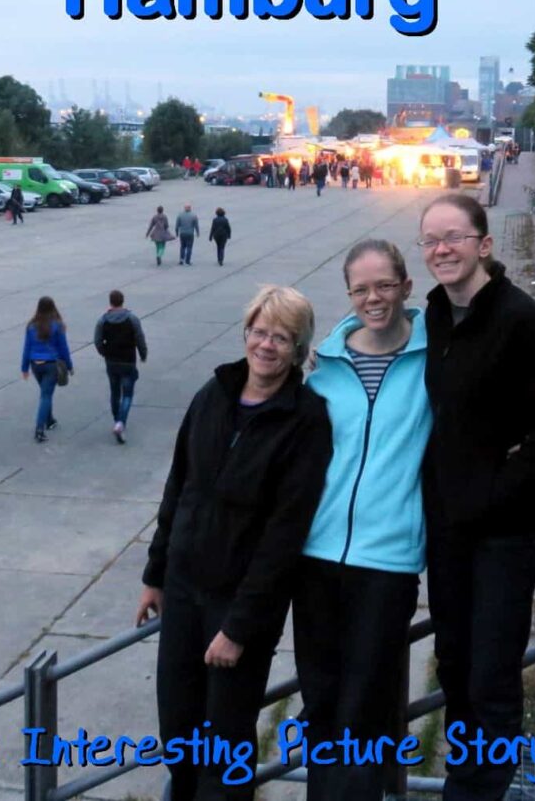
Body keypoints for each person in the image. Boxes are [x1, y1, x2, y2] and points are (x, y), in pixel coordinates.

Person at [136, 286, 332, 801]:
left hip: (238, 606)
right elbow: (180, 486)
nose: (267, 345)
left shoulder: (305, 419)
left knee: (224, 751)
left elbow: (285, 536)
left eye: (282, 337)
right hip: (182, 591)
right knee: (179, 734)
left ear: (298, 348)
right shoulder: (215, 393)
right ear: (246, 333)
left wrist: (239, 628)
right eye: (259, 332)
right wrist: (155, 575)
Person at [418, 194, 535, 801]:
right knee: (455, 664)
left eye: (454, 237)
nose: (441, 249)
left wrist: (496, 490)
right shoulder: (432, 317)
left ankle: (478, 793)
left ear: (483, 244)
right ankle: (466, 781)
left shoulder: (522, 319)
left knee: (490, 675)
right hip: (450, 529)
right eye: (431, 239)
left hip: (508, 532)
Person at [293, 239, 432, 801]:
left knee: (364, 707)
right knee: (321, 699)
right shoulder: (324, 365)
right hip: (317, 557)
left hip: (388, 561)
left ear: (406, 286)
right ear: (348, 295)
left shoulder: (435, 358)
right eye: (361, 289)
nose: (373, 298)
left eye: (383, 285)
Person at [94, 289, 148, 444]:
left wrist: (104, 352)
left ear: (110, 302)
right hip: (128, 361)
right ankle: (120, 423)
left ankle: (117, 419)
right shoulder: (132, 319)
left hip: (111, 361)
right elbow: (139, 338)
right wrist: (143, 354)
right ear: (122, 301)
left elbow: (97, 341)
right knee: (128, 394)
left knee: (114, 392)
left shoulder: (103, 320)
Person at [21, 296, 73, 442]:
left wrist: (24, 367)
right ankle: (39, 428)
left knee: (45, 393)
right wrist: (69, 365)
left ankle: (50, 420)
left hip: (35, 364)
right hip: (51, 364)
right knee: (46, 395)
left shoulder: (31, 326)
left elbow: (27, 347)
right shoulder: (57, 325)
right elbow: (63, 348)